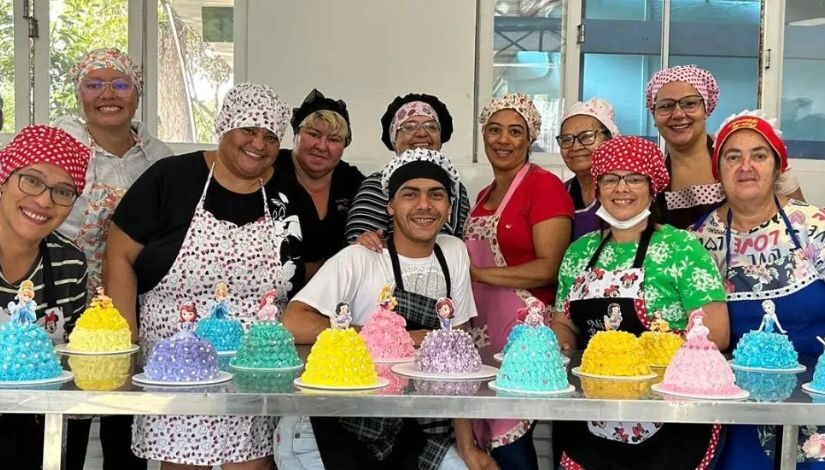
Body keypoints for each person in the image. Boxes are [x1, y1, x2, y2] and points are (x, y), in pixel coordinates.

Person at [105, 81, 322, 469]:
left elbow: (314, 271)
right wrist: (126, 345)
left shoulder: (289, 197)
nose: (259, 143)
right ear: (225, 126)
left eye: (271, 135)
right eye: (249, 130)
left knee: (253, 463)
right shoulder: (170, 179)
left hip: (258, 371)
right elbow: (119, 256)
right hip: (176, 369)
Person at [279, 148, 494, 470]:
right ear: (391, 205)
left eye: (436, 195)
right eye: (410, 194)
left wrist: (467, 446)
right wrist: (380, 336)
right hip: (331, 426)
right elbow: (293, 321)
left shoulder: (454, 253)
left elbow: (458, 366)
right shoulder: (360, 257)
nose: (424, 205)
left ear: (449, 207)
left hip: (414, 427)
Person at [550, 135, 729, 470]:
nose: (622, 189)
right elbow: (564, 321)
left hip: (671, 422)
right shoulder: (579, 252)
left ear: (653, 187)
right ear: (598, 186)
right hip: (590, 419)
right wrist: (558, 351)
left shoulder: (683, 248)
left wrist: (636, 360)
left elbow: (716, 333)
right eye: (610, 178)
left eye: (634, 178)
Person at [691, 110, 825, 470]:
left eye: (759, 155)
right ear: (718, 171)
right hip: (736, 405)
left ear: (778, 167)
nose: (746, 166)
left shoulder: (813, 225)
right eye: (733, 157)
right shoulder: (699, 241)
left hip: (819, 397)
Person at [464, 92, 573, 468]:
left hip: (524, 330)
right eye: (494, 130)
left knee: (513, 437)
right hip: (484, 327)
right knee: (490, 438)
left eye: (514, 131)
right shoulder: (482, 195)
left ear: (530, 139)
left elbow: (550, 267)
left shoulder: (544, 186)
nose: (503, 140)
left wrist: (477, 274)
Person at [0, 125, 91, 470]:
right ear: (4, 177)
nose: (44, 201)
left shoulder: (68, 262)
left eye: (63, 191)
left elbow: (76, 355)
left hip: (44, 422)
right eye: (32, 180)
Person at [645, 64, 803, 229]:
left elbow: (802, 221)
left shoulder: (746, 156)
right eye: (665, 106)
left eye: (689, 103)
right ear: (654, 116)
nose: (678, 114)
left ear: (706, 109)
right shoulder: (652, 175)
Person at [345, 93, 470, 248]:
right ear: (394, 140)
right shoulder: (376, 185)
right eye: (409, 127)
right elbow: (360, 247)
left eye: (431, 126)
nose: (422, 133)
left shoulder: (457, 188)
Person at [276, 89, 365, 261]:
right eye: (314, 134)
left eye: (334, 139)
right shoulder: (271, 169)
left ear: (344, 146)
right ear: (296, 134)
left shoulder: (353, 182)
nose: (322, 146)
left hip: (337, 284)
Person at [557, 97, 620, 240]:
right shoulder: (559, 194)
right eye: (566, 139)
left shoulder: (626, 190)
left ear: (610, 139)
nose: (575, 146)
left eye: (586, 137)